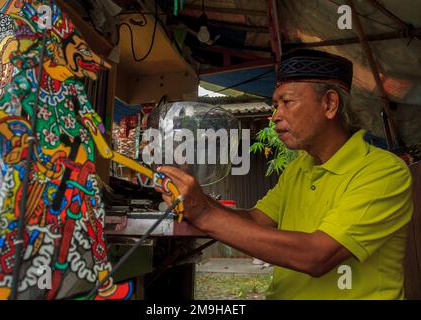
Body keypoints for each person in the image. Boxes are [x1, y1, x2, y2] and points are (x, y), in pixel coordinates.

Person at [157, 49, 414, 299]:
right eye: (275, 105)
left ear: (329, 104)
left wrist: (205, 214)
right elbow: (256, 221)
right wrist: (196, 201)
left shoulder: (383, 171)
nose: (275, 116)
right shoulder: (299, 167)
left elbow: (316, 256)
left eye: (287, 103)